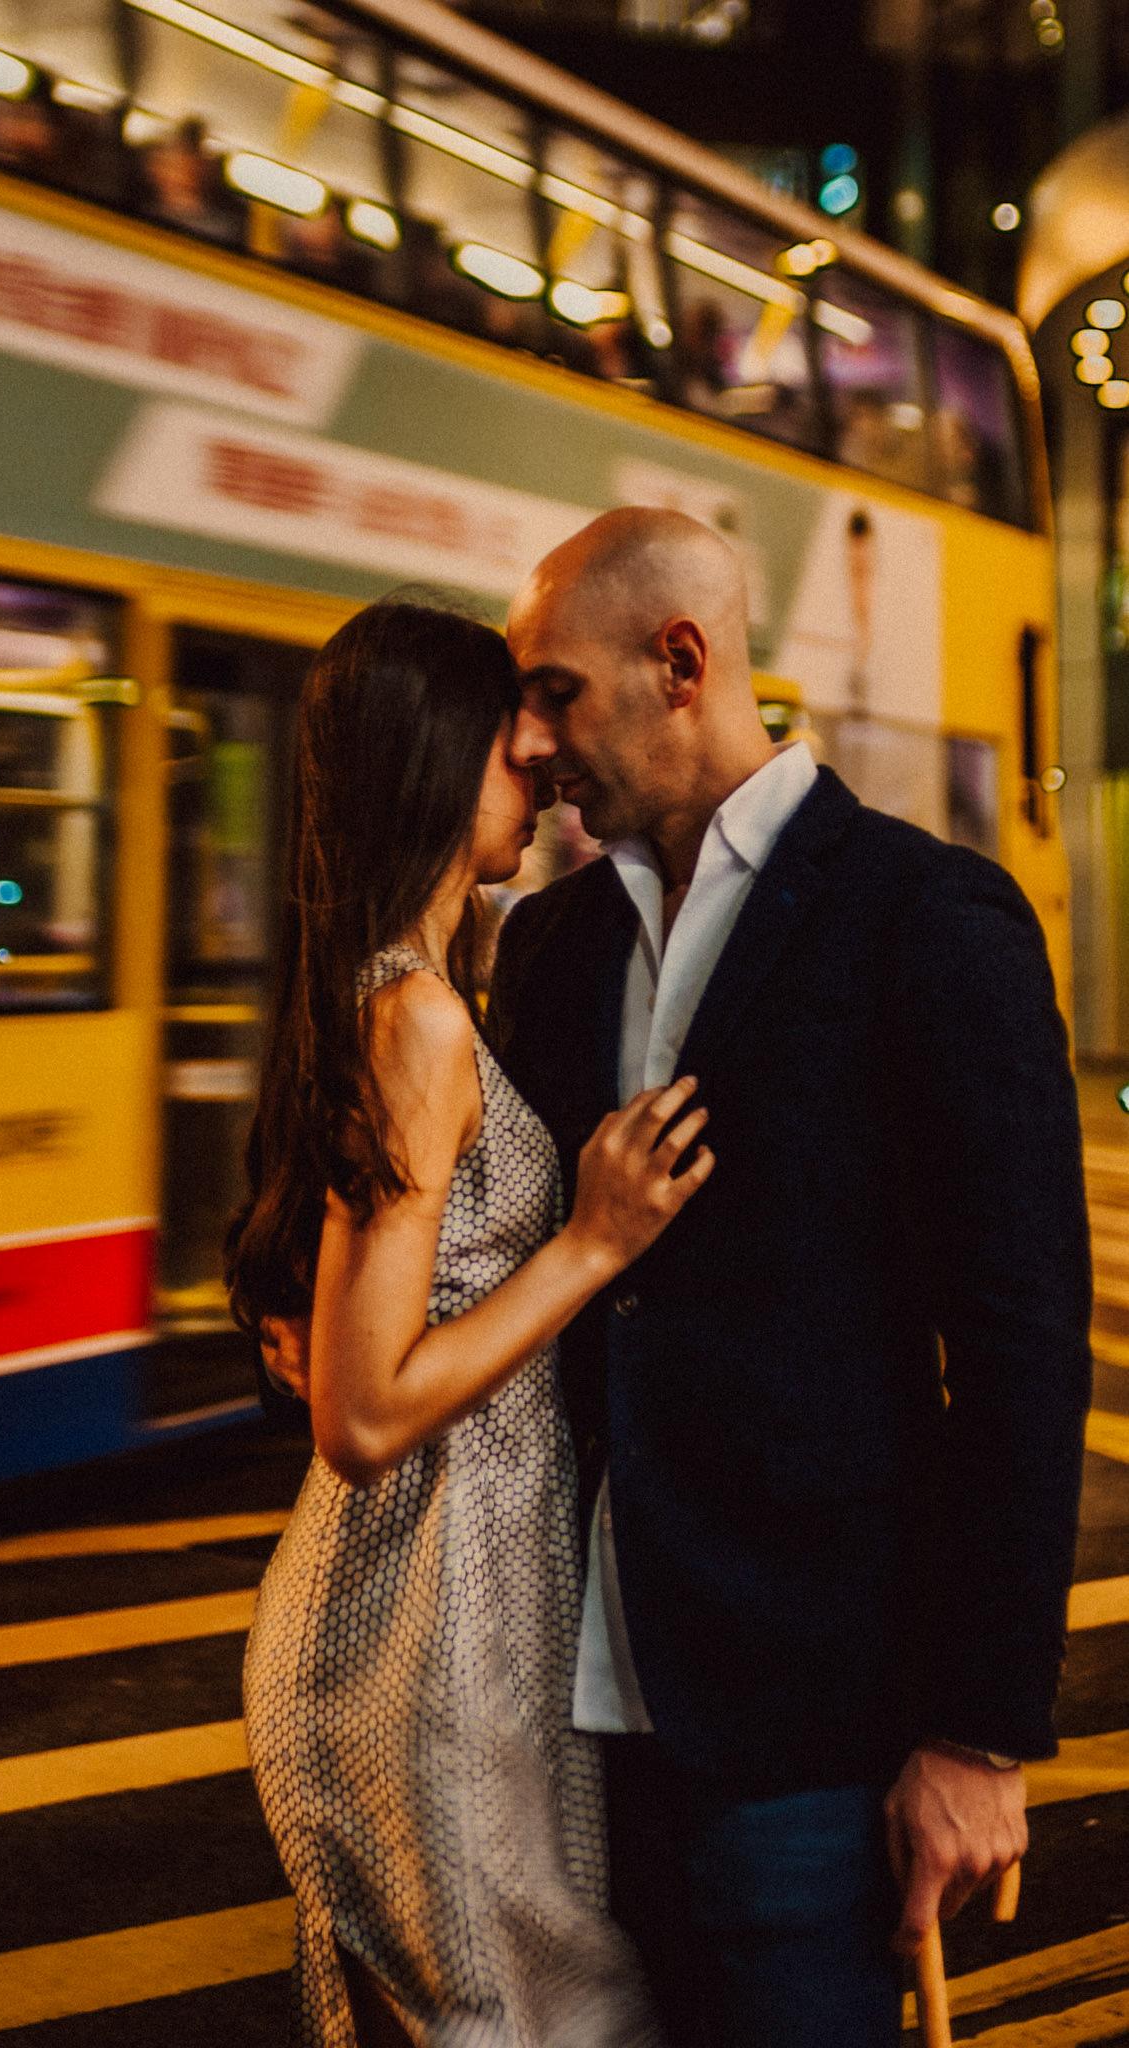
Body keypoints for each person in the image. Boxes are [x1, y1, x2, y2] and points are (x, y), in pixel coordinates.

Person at [265, 507, 1092, 2044]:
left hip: (801, 1739)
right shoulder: (551, 940)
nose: (530, 740)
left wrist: (979, 1736)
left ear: (681, 663)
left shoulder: (922, 919)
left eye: (554, 694)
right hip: (553, 1734)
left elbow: (1020, 1351)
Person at [229, 601, 713, 2047]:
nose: (546, 768)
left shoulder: (413, 994)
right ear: (441, 764)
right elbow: (365, 1413)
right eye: (516, 747)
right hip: (413, 1624)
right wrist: (593, 1243)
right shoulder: (416, 1021)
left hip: (458, 1606)